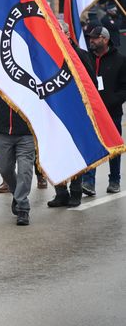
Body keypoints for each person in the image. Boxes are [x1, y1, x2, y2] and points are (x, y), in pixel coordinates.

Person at [48, 21, 96, 207]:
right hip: (54, 112)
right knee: (57, 152)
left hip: (76, 112)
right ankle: (61, 192)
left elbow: (91, 84)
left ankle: (76, 191)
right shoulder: (47, 55)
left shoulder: (80, 55)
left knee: (75, 151)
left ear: (67, 34)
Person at [0, 86, 35, 225]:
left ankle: (23, 207)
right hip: (3, 131)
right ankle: (17, 192)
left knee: (25, 170)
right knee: (4, 168)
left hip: (27, 132)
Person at [82, 26, 126, 195]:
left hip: (112, 113)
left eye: (95, 38)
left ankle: (114, 180)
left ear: (105, 39)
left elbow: (124, 88)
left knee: (114, 148)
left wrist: (112, 101)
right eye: (90, 38)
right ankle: (88, 182)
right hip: (90, 113)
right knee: (91, 146)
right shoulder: (87, 58)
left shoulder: (120, 60)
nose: (91, 40)